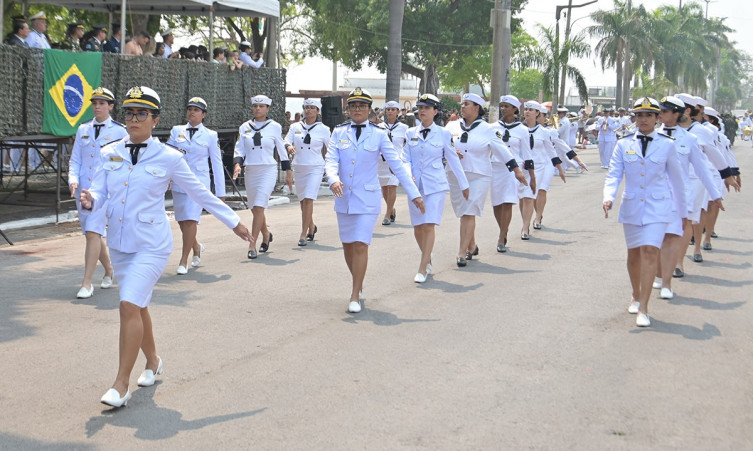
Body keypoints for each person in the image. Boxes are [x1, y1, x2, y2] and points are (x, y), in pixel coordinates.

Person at [79, 86, 252, 407]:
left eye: (141, 114)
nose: (133, 119)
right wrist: (91, 199)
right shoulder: (109, 152)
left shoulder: (170, 157)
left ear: (155, 120)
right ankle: (154, 361)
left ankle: (120, 385)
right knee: (138, 305)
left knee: (128, 305)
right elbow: (100, 191)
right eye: (129, 113)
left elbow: (201, 193)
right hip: (120, 242)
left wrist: (234, 222)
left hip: (152, 245)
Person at [325, 87, 425, 313]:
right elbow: (331, 160)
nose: (357, 109)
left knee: (361, 244)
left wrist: (414, 194)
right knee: (348, 246)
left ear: (370, 110)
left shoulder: (379, 134)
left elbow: (397, 165)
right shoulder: (338, 133)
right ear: (347, 109)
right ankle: (357, 282)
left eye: (361, 106)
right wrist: (333, 179)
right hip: (344, 198)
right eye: (353, 106)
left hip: (368, 198)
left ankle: (354, 294)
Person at [603, 97, 686, 328]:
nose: (644, 119)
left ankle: (644, 307)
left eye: (649, 115)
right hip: (632, 206)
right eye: (639, 115)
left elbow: (678, 181)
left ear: (657, 118)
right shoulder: (623, 144)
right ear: (635, 118)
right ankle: (635, 293)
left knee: (650, 251)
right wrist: (608, 197)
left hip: (658, 207)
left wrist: (682, 211)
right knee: (634, 255)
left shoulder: (667, 144)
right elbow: (614, 174)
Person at [445, 93, 527, 266]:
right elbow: (440, 145)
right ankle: (472, 245)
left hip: (478, 175)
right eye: (462, 104)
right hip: (456, 175)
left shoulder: (489, 129)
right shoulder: (451, 125)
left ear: (476, 108)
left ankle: (461, 252)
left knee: (469, 211)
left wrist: (517, 170)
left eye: (466, 104)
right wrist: (450, 152)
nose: (462, 107)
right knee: (463, 211)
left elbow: (502, 150)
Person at [68, 87, 127, 299]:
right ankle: (109, 269)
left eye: (102, 103)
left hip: (103, 192)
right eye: (95, 103)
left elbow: (123, 162)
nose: (98, 107)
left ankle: (86, 283)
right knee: (92, 234)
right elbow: (76, 159)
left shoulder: (120, 131)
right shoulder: (83, 129)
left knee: (93, 232)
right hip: (82, 190)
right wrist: (73, 179)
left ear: (111, 106)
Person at [403, 94, 469, 282]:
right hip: (415, 186)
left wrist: (464, 184)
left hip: (435, 185)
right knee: (418, 226)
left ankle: (423, 267)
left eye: (426, 108)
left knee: (429, 223)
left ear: (435, 111)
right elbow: (405, 158)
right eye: (420, 107)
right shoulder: (410, 133)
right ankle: (427, 256)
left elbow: (453, 159)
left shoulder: (443, 133)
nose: (422, 111)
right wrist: (408, 174)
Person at [167, 97, 226, 274]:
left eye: (197, 110)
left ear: (203, 114)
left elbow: (216, 163)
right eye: (190, 108)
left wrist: (220, 192)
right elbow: (168, 155)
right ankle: (197, 246)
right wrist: (166, 178)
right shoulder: (177, 131)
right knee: (182, 221)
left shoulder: (210, 135)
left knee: (191, 220)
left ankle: (184, 260)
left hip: (199, 183)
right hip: (179, 181)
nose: (192, 112)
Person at [232, 95, 292, 259]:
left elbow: (281, 149)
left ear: (268, 109)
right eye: (255, 106)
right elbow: (240, 149)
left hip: (268, 169)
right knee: (254, 208)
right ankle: (266, 233)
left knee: (259, 207)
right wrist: (237, 164)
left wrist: (288, 171)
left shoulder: (274, 127)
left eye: (262, 106)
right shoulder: (245, 127)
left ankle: (252, 244)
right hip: (251, 170)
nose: (258, 109)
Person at [493, 94, 536, 253]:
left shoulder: (523, 130)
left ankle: (501, 236)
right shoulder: (494, 127)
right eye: (502, 106)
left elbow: (527, 154)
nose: (503, 109)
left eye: (506, 106)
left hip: (513, 169)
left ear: (515, 109)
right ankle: (503, 229)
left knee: (507, 201)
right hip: (496, 166)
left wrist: (532, 177)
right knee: (497, 203)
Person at [284, 99, 330, 246]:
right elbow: (286, 140)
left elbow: (331, 149)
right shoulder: (295, 126)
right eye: (306, 107)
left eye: (312, 108)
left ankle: (303, 234)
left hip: (315, 167)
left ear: (318, 111)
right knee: (303, 201)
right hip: (299, 166)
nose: (308, 110)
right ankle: (311, 226)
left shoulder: (324, 129)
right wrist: (289, 147)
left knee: (309, 199)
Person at [526, 103, 567, 235]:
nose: (540, 118)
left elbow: (557, 149)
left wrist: (560, 169)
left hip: (546, 164)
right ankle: (537, 214)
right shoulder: (523, 129)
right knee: (533, 193)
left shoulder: (549, 131)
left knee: (542, 190)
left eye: (542, 115)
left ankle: (538, 217)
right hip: (531, 165)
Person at [377, 100, 409, 226]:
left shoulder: (404, 128)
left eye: (393, 110)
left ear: (398, 112)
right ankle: (392, 209)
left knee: (392, 186)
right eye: (388, 110)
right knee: (384, 187)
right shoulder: (379, 128)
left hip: (396, 161)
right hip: (381, 161)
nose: (390, 112)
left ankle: (387, 214)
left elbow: (408, 145)